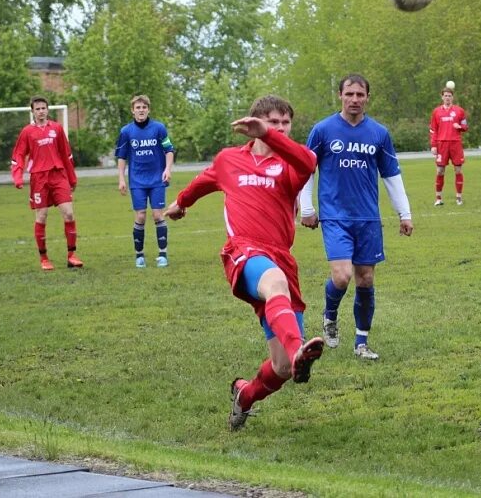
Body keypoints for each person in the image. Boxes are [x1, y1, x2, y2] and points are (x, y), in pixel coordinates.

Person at [164, 95, 324, 431]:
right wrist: (180, 204)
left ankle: (244, 396)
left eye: (285, 123)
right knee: (274, 283)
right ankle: (299, 351)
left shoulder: (293, 164)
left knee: (281, 368)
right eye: (272, 122)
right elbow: (201, 183)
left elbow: (309, 164)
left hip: (281, 257)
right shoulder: (228, 160)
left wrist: (268, 135)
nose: (280, 128)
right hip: (243, 251)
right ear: (254, 124)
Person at [300, 74, 414, 361]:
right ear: (340, 95)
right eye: (349, 94)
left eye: (359, 95)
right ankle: (330, 314)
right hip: (335, 216)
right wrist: (307, 208)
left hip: (368, 219)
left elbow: (391, 175)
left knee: (365, 279)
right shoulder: (323, 130)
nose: (354, 99)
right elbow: (306, 171)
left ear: (367, 98)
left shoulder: (378, 133)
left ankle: (361, 344)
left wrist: (405, 213)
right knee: (342, 276)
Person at [11, 96, 83, 271]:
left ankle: (72, 256)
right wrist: (18, 176)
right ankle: (44, 259)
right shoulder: (27, 132)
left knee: (69, 214)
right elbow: (18, 155)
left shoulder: (57, 129)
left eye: (44, 108)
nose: (41, 111)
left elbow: (66, 155)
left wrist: (72, 178)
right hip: (39, 178)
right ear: (33, 111)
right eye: (38, 109)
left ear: (47, 110)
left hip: (58, 175)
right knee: (41, 216)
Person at [115, 94, 175, 268]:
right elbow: (121, 156)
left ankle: (162, 254)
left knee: (158, 215)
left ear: (148, 109)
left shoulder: (159, 128)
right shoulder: (126, 132)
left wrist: (167, 169)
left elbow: (169, 150)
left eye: (144, 107)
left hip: (157, 179)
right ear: (132, 111)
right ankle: (139, 255)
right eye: (138, 108)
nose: (141, 110)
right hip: (137, 181)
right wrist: (121, 179)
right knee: (140, 216)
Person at [429, 86, 468, 206]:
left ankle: (459, 198)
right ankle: (438, 198)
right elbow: (433, 130)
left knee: (458, 170)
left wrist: (459, 127)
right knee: (440, 171)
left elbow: (465, 126)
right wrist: (433, 145)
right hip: (441, 144)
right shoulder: (436, 112)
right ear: (442, 97)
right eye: (445, 96)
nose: (447, 98)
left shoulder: (459, 111)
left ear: (452, 97)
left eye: (449, 96)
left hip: (455, 143)